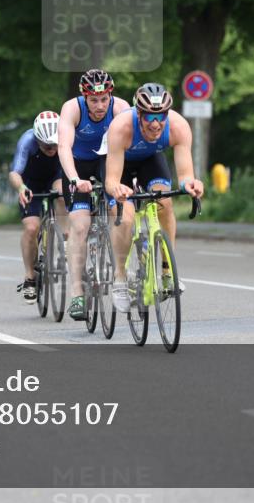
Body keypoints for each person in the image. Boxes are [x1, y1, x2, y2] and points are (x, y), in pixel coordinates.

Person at [103, 82, 205, 313]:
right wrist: (117, 190)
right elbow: (111, 181)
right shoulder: (121, 128)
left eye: (161, 116)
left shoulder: (178, 126)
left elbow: (185, 174)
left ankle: (168, 273)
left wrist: (191, 183)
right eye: (149, 117)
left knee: (165, 203)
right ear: (138, 113)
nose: (156, 123)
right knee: (125, 218)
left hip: (151, 160)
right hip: (121, 166)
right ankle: (119, 278)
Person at [57, 69, 130, 321]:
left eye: (104, 99)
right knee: (80, 225)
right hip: (77, 165)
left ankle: (121, 269)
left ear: (110, 95)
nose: (100, 106)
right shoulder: (72, 108)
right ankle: (77, 293)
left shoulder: (120, 107)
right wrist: (75, 179)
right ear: (84, 97)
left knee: (119, 210)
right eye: (93, 100)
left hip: (107, 163)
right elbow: (64, 147)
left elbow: (127, 147)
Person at [9, 110, 64, 302]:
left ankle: (64, 238)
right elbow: (14, 173)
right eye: (47, 146)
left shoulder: (65, 137)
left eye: (55, 145)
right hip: (30, 183)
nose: (52, 149)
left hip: (54, 177)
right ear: (37, 139)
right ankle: (29, 277)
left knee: (62, 194)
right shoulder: (27, 141)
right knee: (31, 227)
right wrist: (21, 187)